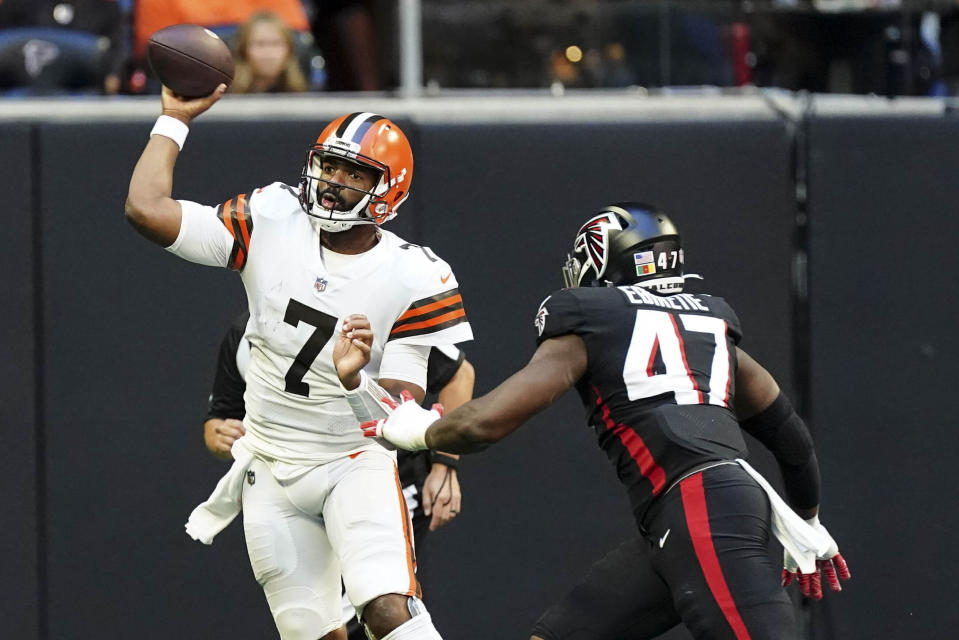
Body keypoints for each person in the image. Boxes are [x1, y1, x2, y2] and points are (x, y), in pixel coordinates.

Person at [358, 203, 851, 639]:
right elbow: (792, 439)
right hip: (688, 518)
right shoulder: (708, 325)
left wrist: (415, 430)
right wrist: (807, 518)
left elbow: (485, 422)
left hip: (701, 512)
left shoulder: (593, 319)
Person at [125, 82, 473, 640]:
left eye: (355, 174)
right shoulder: (273, 214)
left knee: (386, 609)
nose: (334, 183)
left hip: (351, 462)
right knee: (312, 633)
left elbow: (400, 418)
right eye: (330, 167)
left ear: (388, 190)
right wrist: (173, 120)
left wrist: (355, 380)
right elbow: (146, 209)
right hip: (270, 466)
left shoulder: (415, 275)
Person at [203, 309, 474, 638]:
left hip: (379, 477)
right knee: (312, 624)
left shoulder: (373, 305)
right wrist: (219, 435)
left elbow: (458, 375)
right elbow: (220, 418)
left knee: (387, 609)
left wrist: (446, 465)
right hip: (292, 487)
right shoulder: (245, 330)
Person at [230, 11, 308, 94]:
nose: (268, 52)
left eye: (276, 43)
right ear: (243, 50)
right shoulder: (226, 92)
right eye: (260, 44)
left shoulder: (305, 92)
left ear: (289, 50)